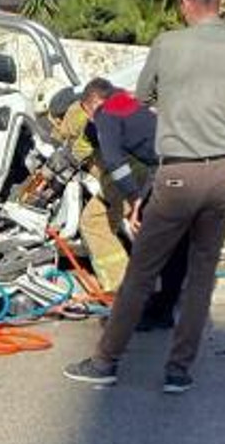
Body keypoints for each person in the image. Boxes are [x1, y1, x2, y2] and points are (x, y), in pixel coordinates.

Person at [63, 0, 225, 394]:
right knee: (201, 277)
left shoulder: (168, 44)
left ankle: (105, 362)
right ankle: (178, 371)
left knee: (141, 272)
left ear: (185, 2)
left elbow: (143, 96)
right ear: (220, 0)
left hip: (178, 173)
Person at [78, 77, 186, 329]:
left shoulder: (105, 114)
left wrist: (134, 197)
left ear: (90, 104)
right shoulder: (128, 100)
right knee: (171, 244)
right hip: (190, 165)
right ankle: (163, 310)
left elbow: (115, 163)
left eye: (87, 112)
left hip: (169, 170)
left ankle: (133, 313)